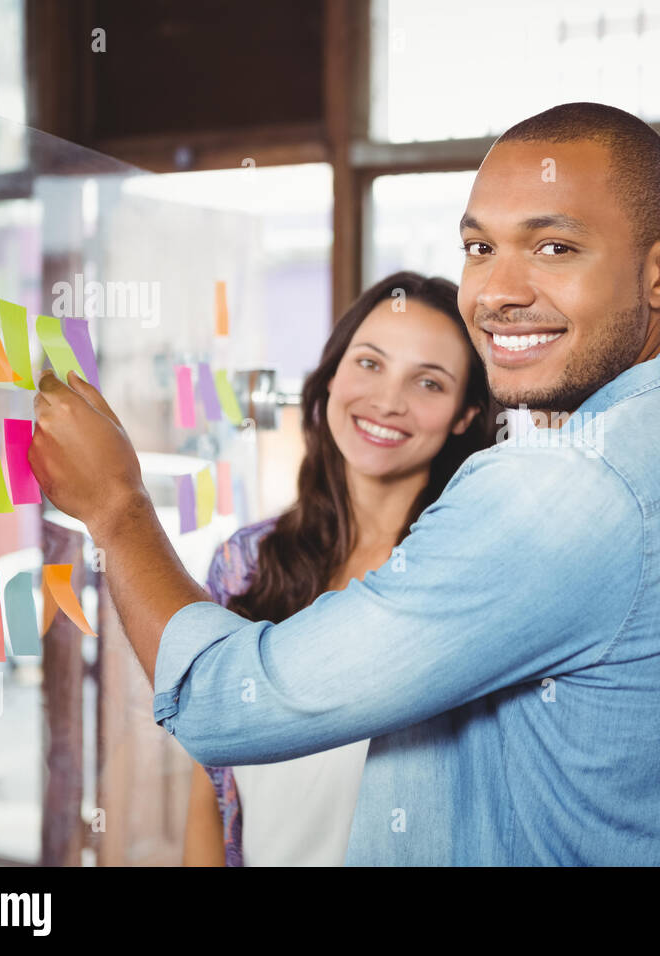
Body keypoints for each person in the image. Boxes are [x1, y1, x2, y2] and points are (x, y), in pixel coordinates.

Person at [29, 101, 660, 865]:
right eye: (480, 246)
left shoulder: (563, 492)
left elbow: (222, 702)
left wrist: (117, 505)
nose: (497, 290)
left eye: (555, 246)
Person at [181, 272, 496, 865]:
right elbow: (207, 780)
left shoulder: (467, 580)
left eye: (428, 382)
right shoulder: (243, 564)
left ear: (464, 414)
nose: (388, 401)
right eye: (370, 364)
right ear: (330, 378)